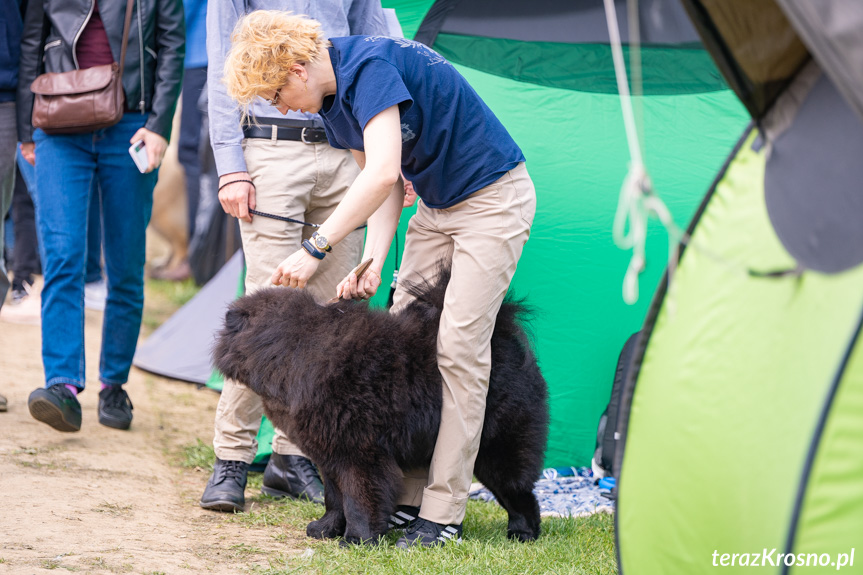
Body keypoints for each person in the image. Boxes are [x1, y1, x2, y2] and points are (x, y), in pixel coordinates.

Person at [223, 12, 536, 547]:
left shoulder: (368, 68)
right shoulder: (331, 103)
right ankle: (404, 503)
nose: (278, 108)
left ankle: (443, 514)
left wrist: (316, 248)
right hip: (437, 207)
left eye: (275, 93)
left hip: (493, 199)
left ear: (297, 68)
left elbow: (385, 170)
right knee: (404, 346)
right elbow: (386, 183)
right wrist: (374, 256)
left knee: (459, 350)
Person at [199, 0, 388, 514]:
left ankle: (291, 458)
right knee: (267, 313)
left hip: (345, 150)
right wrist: (230, 166)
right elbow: (223, 66)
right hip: (270, 149)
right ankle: (232, 457)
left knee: (335, 317)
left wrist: (390, 156)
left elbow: (374, 46)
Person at [17, 0, 184, 432]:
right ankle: (63, 386)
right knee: (63, 256)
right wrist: (25, 130)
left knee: (126, 263)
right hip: (57, 126)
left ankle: (114, 384)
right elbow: (31, 44)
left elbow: (171, 47)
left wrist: (160, 124)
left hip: (131, 127)